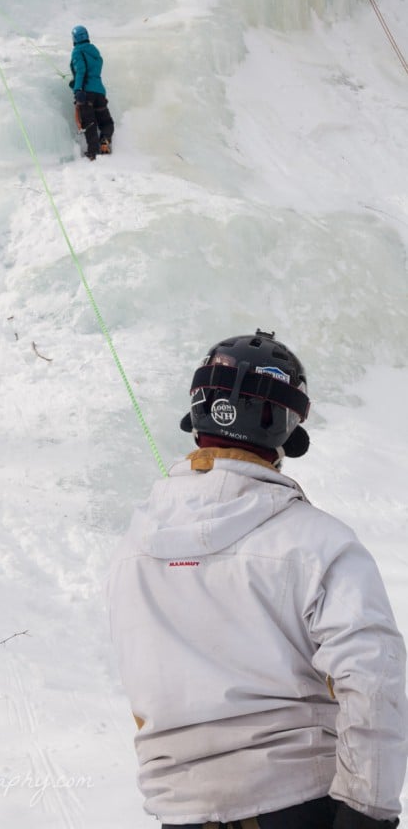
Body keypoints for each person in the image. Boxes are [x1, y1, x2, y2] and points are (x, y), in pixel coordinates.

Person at [107, 329, 407, 829]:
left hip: (179, 811)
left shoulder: (130, 551)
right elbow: (373, 676)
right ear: (287, 430)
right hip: (301, 802)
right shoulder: (320, 543)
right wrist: (366, 810)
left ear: (197, 415)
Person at [69, 25, 115, 160]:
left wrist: (77, 88)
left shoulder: (77, 51)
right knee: (106, 122)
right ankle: (105, 140)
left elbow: (81, 71)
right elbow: (93, 72)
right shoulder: (95, 52)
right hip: (99, 92)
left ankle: (93, 152)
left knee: (89, 122)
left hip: (86, 92)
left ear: (74, 39)